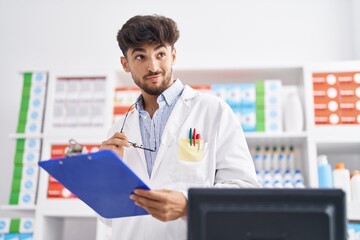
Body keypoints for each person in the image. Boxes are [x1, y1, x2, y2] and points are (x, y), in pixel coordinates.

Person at [99, 14, 260, 240]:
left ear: (173, 55)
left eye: (160, 54)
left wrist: (188, 204)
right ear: (125, 64)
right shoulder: (118, 130)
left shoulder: (213, 111)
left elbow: (245, 190)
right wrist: (106, 174)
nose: (153, 66)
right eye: (140, 56)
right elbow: (108, 218)